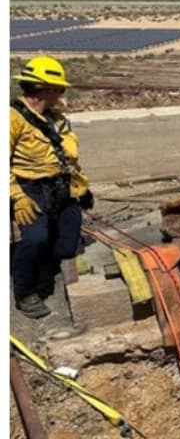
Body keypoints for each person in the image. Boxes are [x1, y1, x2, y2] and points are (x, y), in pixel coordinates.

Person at [10, 56, 92, 319]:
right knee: (34, 239)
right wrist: (17, 197)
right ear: (45, 88)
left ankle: (46, 264)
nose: (62, 95)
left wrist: (81, 187)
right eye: (60, 89)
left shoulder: (57, 120)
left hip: (60, 186)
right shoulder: (12, 119)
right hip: (29, 188)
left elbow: (68, 158)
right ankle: (25, 291)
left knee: (68, 245)